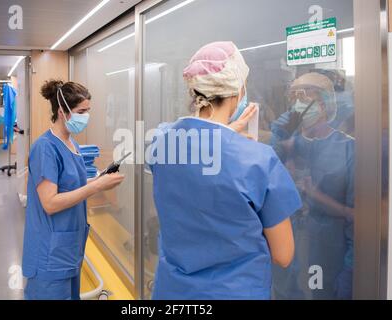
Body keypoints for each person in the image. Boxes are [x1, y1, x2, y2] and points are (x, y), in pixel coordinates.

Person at [149, 41, 302, 300]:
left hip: (172, 291)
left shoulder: (161, 143)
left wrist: (227, 132)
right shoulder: (258, 159)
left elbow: (191, 146)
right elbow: (283, 255)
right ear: (237, 91)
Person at [22, 80, 125, 300]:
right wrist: (97, 186)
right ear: (62, 111)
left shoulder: (72, 144)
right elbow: (50, 203)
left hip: (69, 247)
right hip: (49, 252)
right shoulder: (45, 148)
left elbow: (74, 187)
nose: (86, 116)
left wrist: (100, 180)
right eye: (81, 111)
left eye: (88, 110)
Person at [270, 72, 355, 299]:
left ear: (325, 104)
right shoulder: (287, 144)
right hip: (288, 252)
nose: (299, 103)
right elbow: (266, 189)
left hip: (329, 253)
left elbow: (357, 216)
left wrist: (350, 267)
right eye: (295, 96)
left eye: (307, 97)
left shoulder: (348, 148)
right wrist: (278, 139)